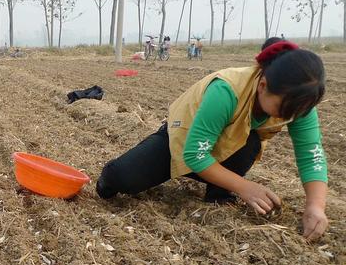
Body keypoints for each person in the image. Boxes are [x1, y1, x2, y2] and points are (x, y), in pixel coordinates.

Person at [96, 38, 328, 241]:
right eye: (283, 110)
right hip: (182, 141)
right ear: (263, 85)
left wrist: (315, 207)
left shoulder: (298, 105)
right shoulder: (226, 90)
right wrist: (245, 187)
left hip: (222, 149)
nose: (288, 117)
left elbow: (311, 154)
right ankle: (110, 177)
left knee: (249, 142)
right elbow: (194, 154)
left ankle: (219, 193)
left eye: (296, 113)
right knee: (123, 178)